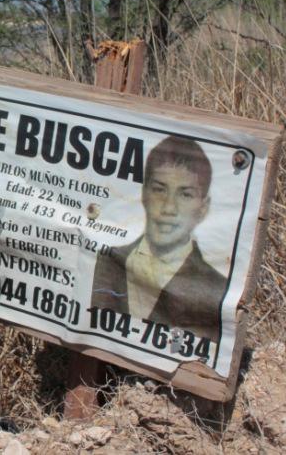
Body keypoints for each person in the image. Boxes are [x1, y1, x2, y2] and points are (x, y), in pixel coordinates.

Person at [90, 136, 227, 342]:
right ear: (144, 194)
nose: (168, 208)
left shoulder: (217, 291)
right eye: (159, 189)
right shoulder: (107, 262)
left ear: (203, 208)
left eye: (185, 195)